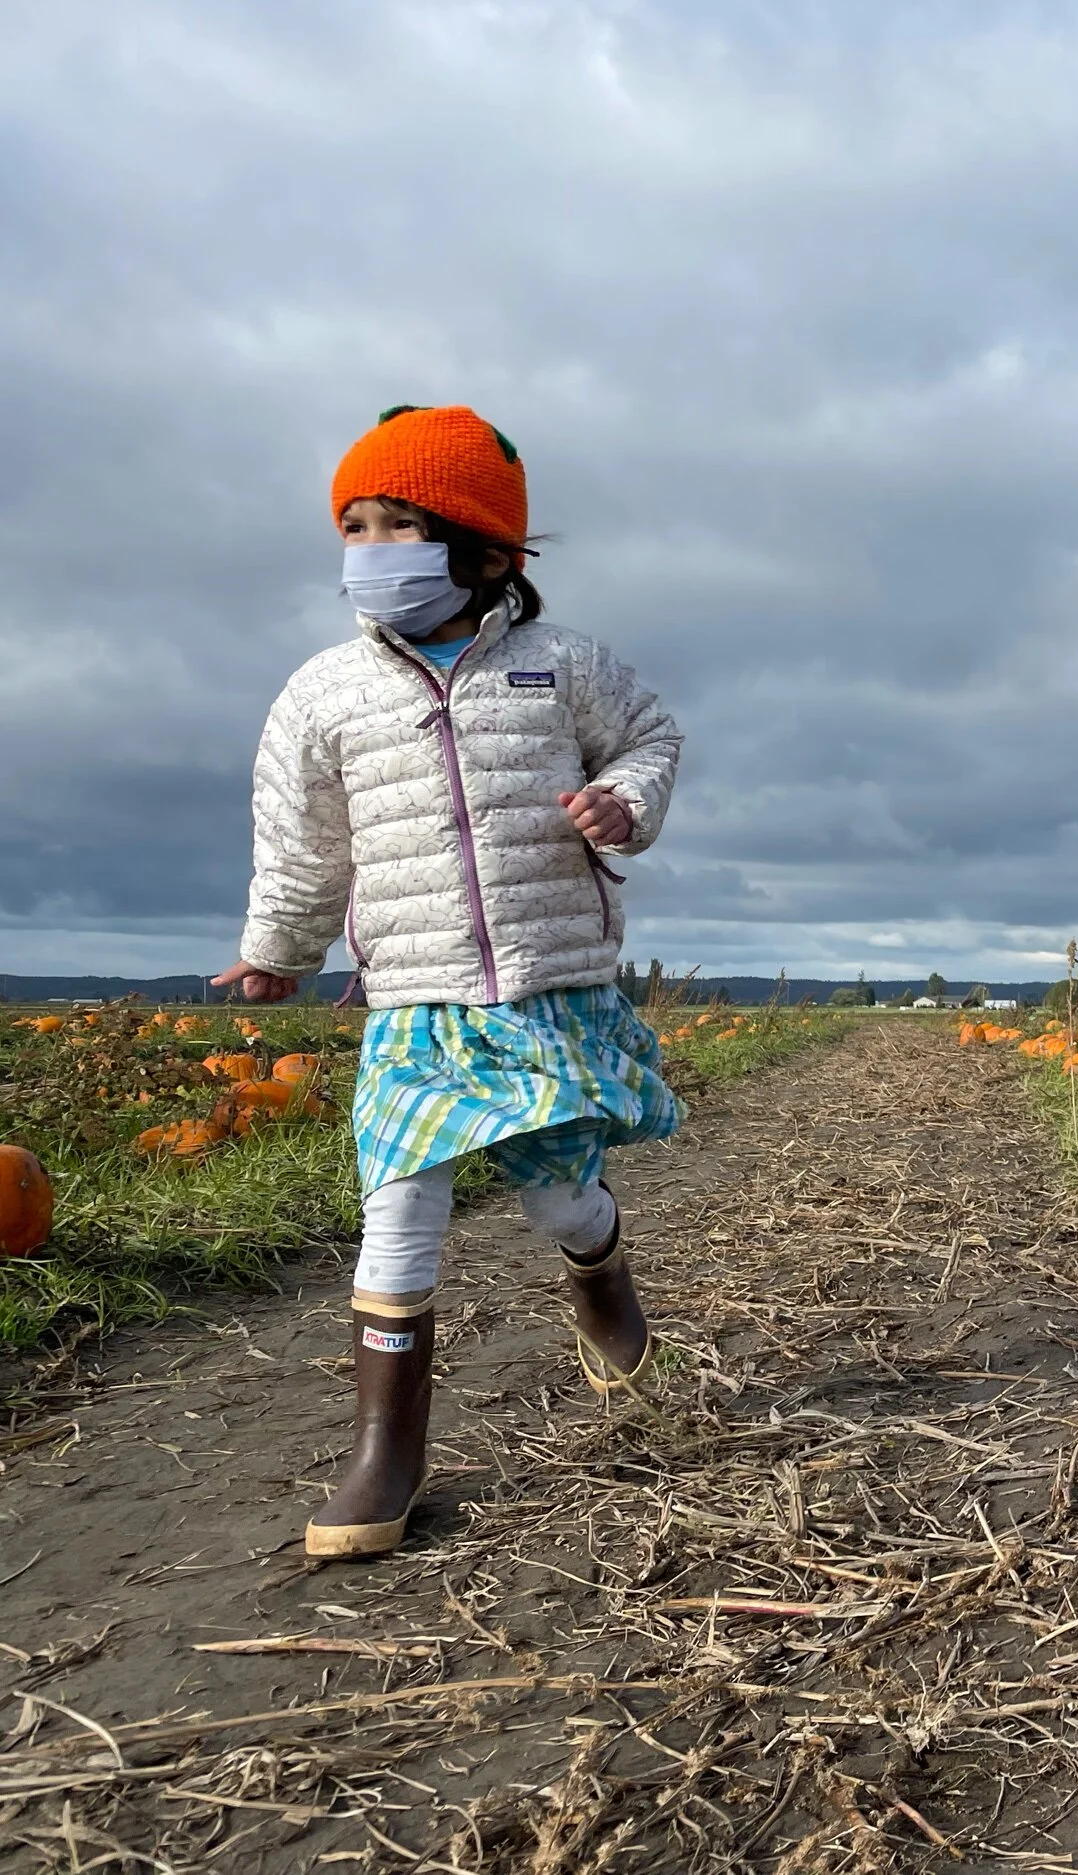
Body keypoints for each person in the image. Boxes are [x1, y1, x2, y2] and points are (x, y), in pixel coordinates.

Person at [213, 405, 684, 1560]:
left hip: (547, 985)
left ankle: (598, 1262)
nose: (371, 552)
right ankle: (388, 1452)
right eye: (354, 527)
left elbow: (650, 738)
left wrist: (625, 806)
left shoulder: (561, 667)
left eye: (399, 526)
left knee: (555, 1196)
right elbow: (303, 841)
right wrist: (279, 947)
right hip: (416, 998)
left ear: (483, 551)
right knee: (400, 1200)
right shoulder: (322, 695)